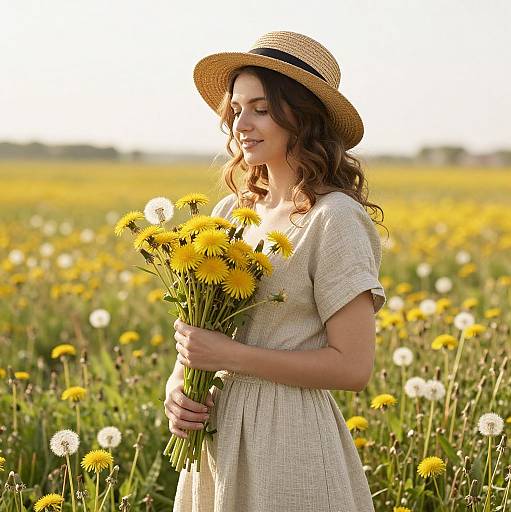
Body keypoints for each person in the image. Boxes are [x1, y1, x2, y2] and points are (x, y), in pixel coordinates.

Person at [164, 30, 387, 512]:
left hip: (290, 442)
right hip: (216, 442)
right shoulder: (229, 212)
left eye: (261, 108)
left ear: (301, 117)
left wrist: (231, 357)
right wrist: (178, 388)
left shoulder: (335, 219)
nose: (241, 123)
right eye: (237, 109)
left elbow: (353, 366)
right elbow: (201, 336)